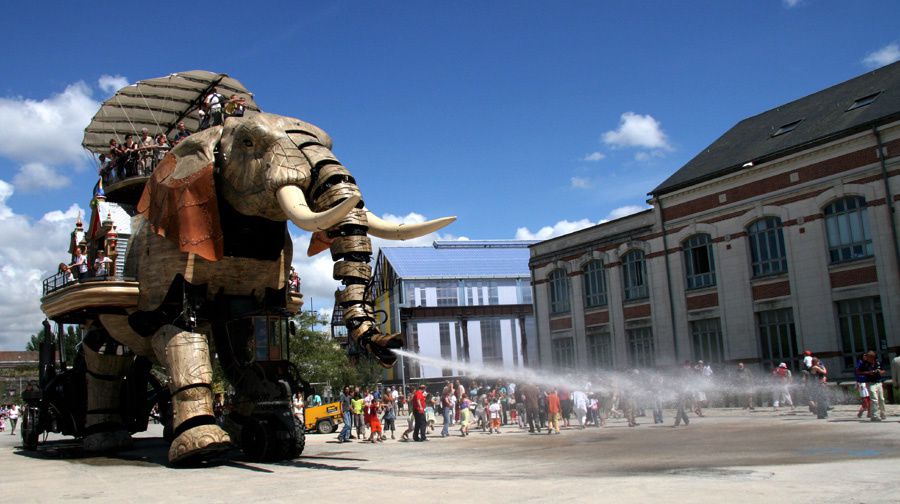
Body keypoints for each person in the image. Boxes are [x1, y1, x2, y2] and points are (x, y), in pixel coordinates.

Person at [856, 351, 887, 421]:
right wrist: (869, 372)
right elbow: (858, 372)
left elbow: (883, 370)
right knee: (874, 398)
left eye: (869, 357)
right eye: (867, 356)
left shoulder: (878, 363)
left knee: (881, 399)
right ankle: (874, 416)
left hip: (878, 382)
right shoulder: (865, 364)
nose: (867, 358)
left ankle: (883, 413)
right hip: (870, 383)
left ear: (873, 357)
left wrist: (880, 372)